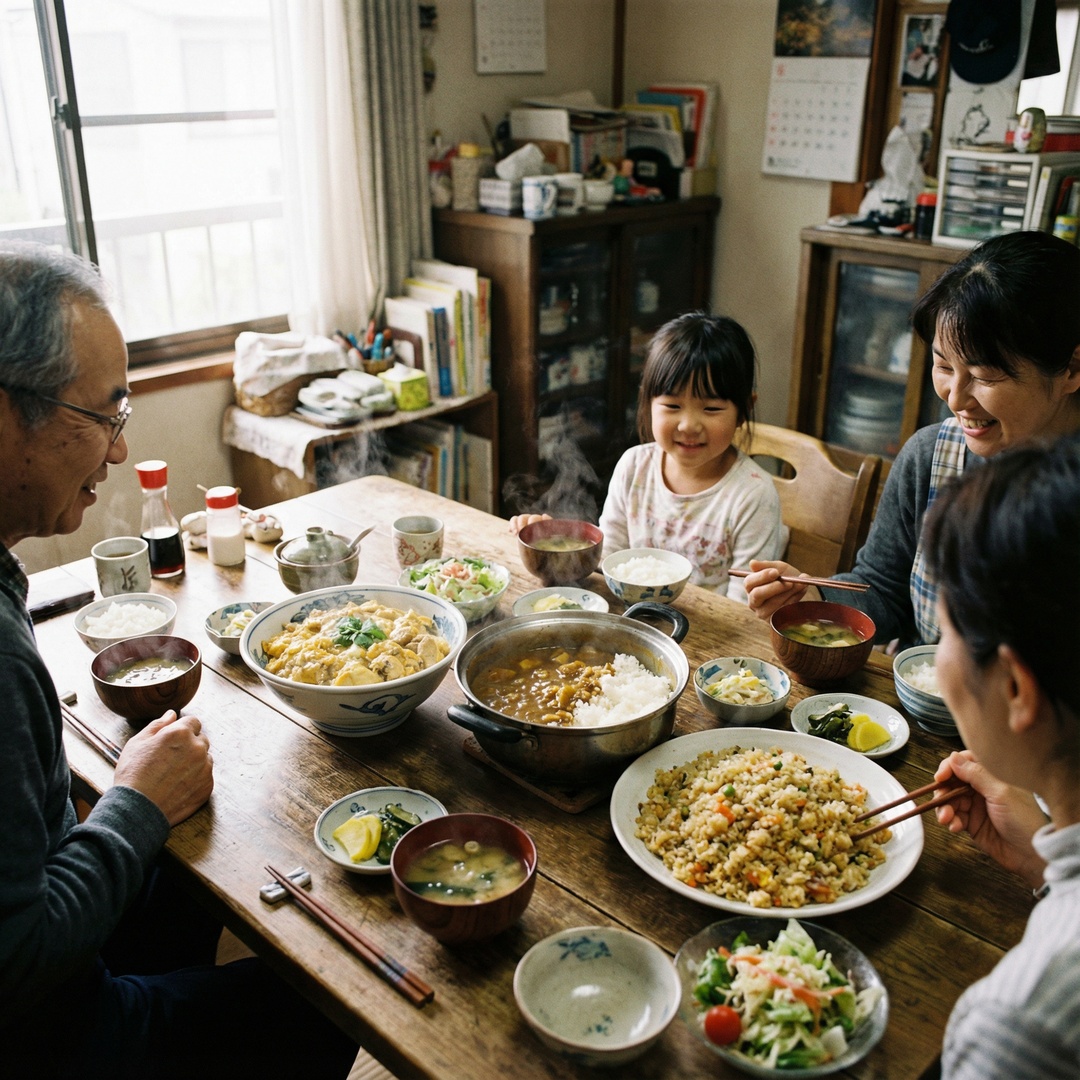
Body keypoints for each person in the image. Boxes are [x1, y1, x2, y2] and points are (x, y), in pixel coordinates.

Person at [0, 242, 357, 1079]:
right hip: (45, 1034)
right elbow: (17, 962)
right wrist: (132, 800)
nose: (119, 453)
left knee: (195, 869)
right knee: (323, 996)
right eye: (104, 416)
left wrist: (133, 804)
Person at [744, 230, 1080, 646]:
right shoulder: (930, 457)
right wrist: (813, 596)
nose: (955, 398)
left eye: (984, 375)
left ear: (1071, 368)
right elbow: (884, 590)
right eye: (943, 365)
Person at [916, 432, 1080, 1078]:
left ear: (1014, 689)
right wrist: (1046, 862)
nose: (938, 655)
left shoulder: (1019, 1025)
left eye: (948, 629)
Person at [511, 311, 785, 603]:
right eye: (672, 405)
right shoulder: (634, 466)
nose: (688, 425)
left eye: (711, 409)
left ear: (744, 410)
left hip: (710, 637)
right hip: (631, 621)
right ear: (648, 402)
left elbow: (742, 608)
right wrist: (553, 546)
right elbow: (608, 562)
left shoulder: (753, 495)